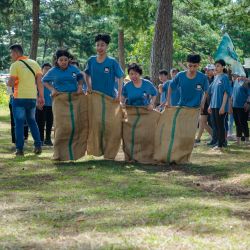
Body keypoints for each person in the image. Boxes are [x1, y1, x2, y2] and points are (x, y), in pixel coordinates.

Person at [7, 44, 44, 156]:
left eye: (12, 53)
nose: (11, 55)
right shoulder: (34, 63)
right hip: (32, 98)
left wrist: (8, 88)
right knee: (32, 122)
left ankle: (19, 149)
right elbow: (39, 82)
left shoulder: (15, 65)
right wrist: (41, 97)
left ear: (17, 53)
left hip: (19, 98)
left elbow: (11, 82)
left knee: (18, 123)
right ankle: (38, 146)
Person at [85, 34, 124, 100]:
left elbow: (121, 77)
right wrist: (89, 87)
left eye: (102, 45)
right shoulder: (91, 60)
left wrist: (119, 95)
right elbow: (86, 74)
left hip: (109, 97)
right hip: (94, 96)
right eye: (97, 45)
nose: (99, 48)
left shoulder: (112, 62)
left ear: (107, 46)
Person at [208, 59, 231, 151]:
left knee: (220, 125)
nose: (216, 68)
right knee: (215, 125)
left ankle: (221, 145)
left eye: (218, 66)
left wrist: (223, 106)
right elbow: (212, 93)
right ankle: (217, 143)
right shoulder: (216, 78)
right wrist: (210, 105)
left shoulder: (224, 77)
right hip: (213, 106)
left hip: (220, 106)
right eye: (215, 66)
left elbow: (226, 93)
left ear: (222, 67)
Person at [195, 65, 214, 143]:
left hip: (213, 103)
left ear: (213, 70)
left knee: (206, 122)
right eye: (206, 70)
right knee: (202, 121)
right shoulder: (203, 79)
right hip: (204, 102)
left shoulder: (216, 79)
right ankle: (199, 138)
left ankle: (215, 137)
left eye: (208, 70)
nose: (206, 71)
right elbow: (198, 90)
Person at [35, 63, 53, 146]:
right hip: (41, 104)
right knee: (40, 123)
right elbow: (35, 92)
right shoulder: (39, 79)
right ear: (42, 70)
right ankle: (41, 139)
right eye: (45, 68)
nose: (47, 70)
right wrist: (37, 102)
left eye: (49, 68)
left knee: (49, 122)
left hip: (51, 105)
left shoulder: (53, 79)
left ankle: (48, 139)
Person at [232, 75, 250, 145]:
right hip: (235, 106)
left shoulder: (245, 82)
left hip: (243, 106)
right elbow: (233, 93)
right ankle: (238, 140)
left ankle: (247, 140)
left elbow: (249, 94)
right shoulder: (236, 81)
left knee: (243, 123)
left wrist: (248, 103)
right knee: (237, 123)